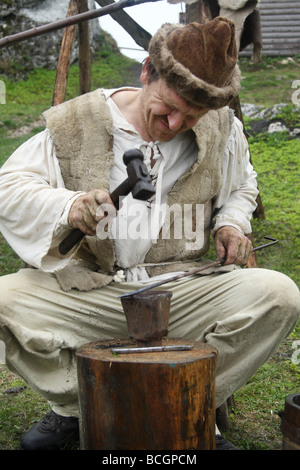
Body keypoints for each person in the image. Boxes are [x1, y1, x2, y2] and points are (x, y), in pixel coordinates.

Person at [0, 17, 299, 451]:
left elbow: (242, 185)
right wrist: (68, 205)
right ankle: (80, 404)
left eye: (191, 115)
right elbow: (8, 189)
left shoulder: (221, 128)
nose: (176, 124)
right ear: (145, 72)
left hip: (178, 290)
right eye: (168, 107)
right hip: (91, 292)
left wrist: (231, 222)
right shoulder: (76, 122)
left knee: (279, 294)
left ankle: (185, 402)